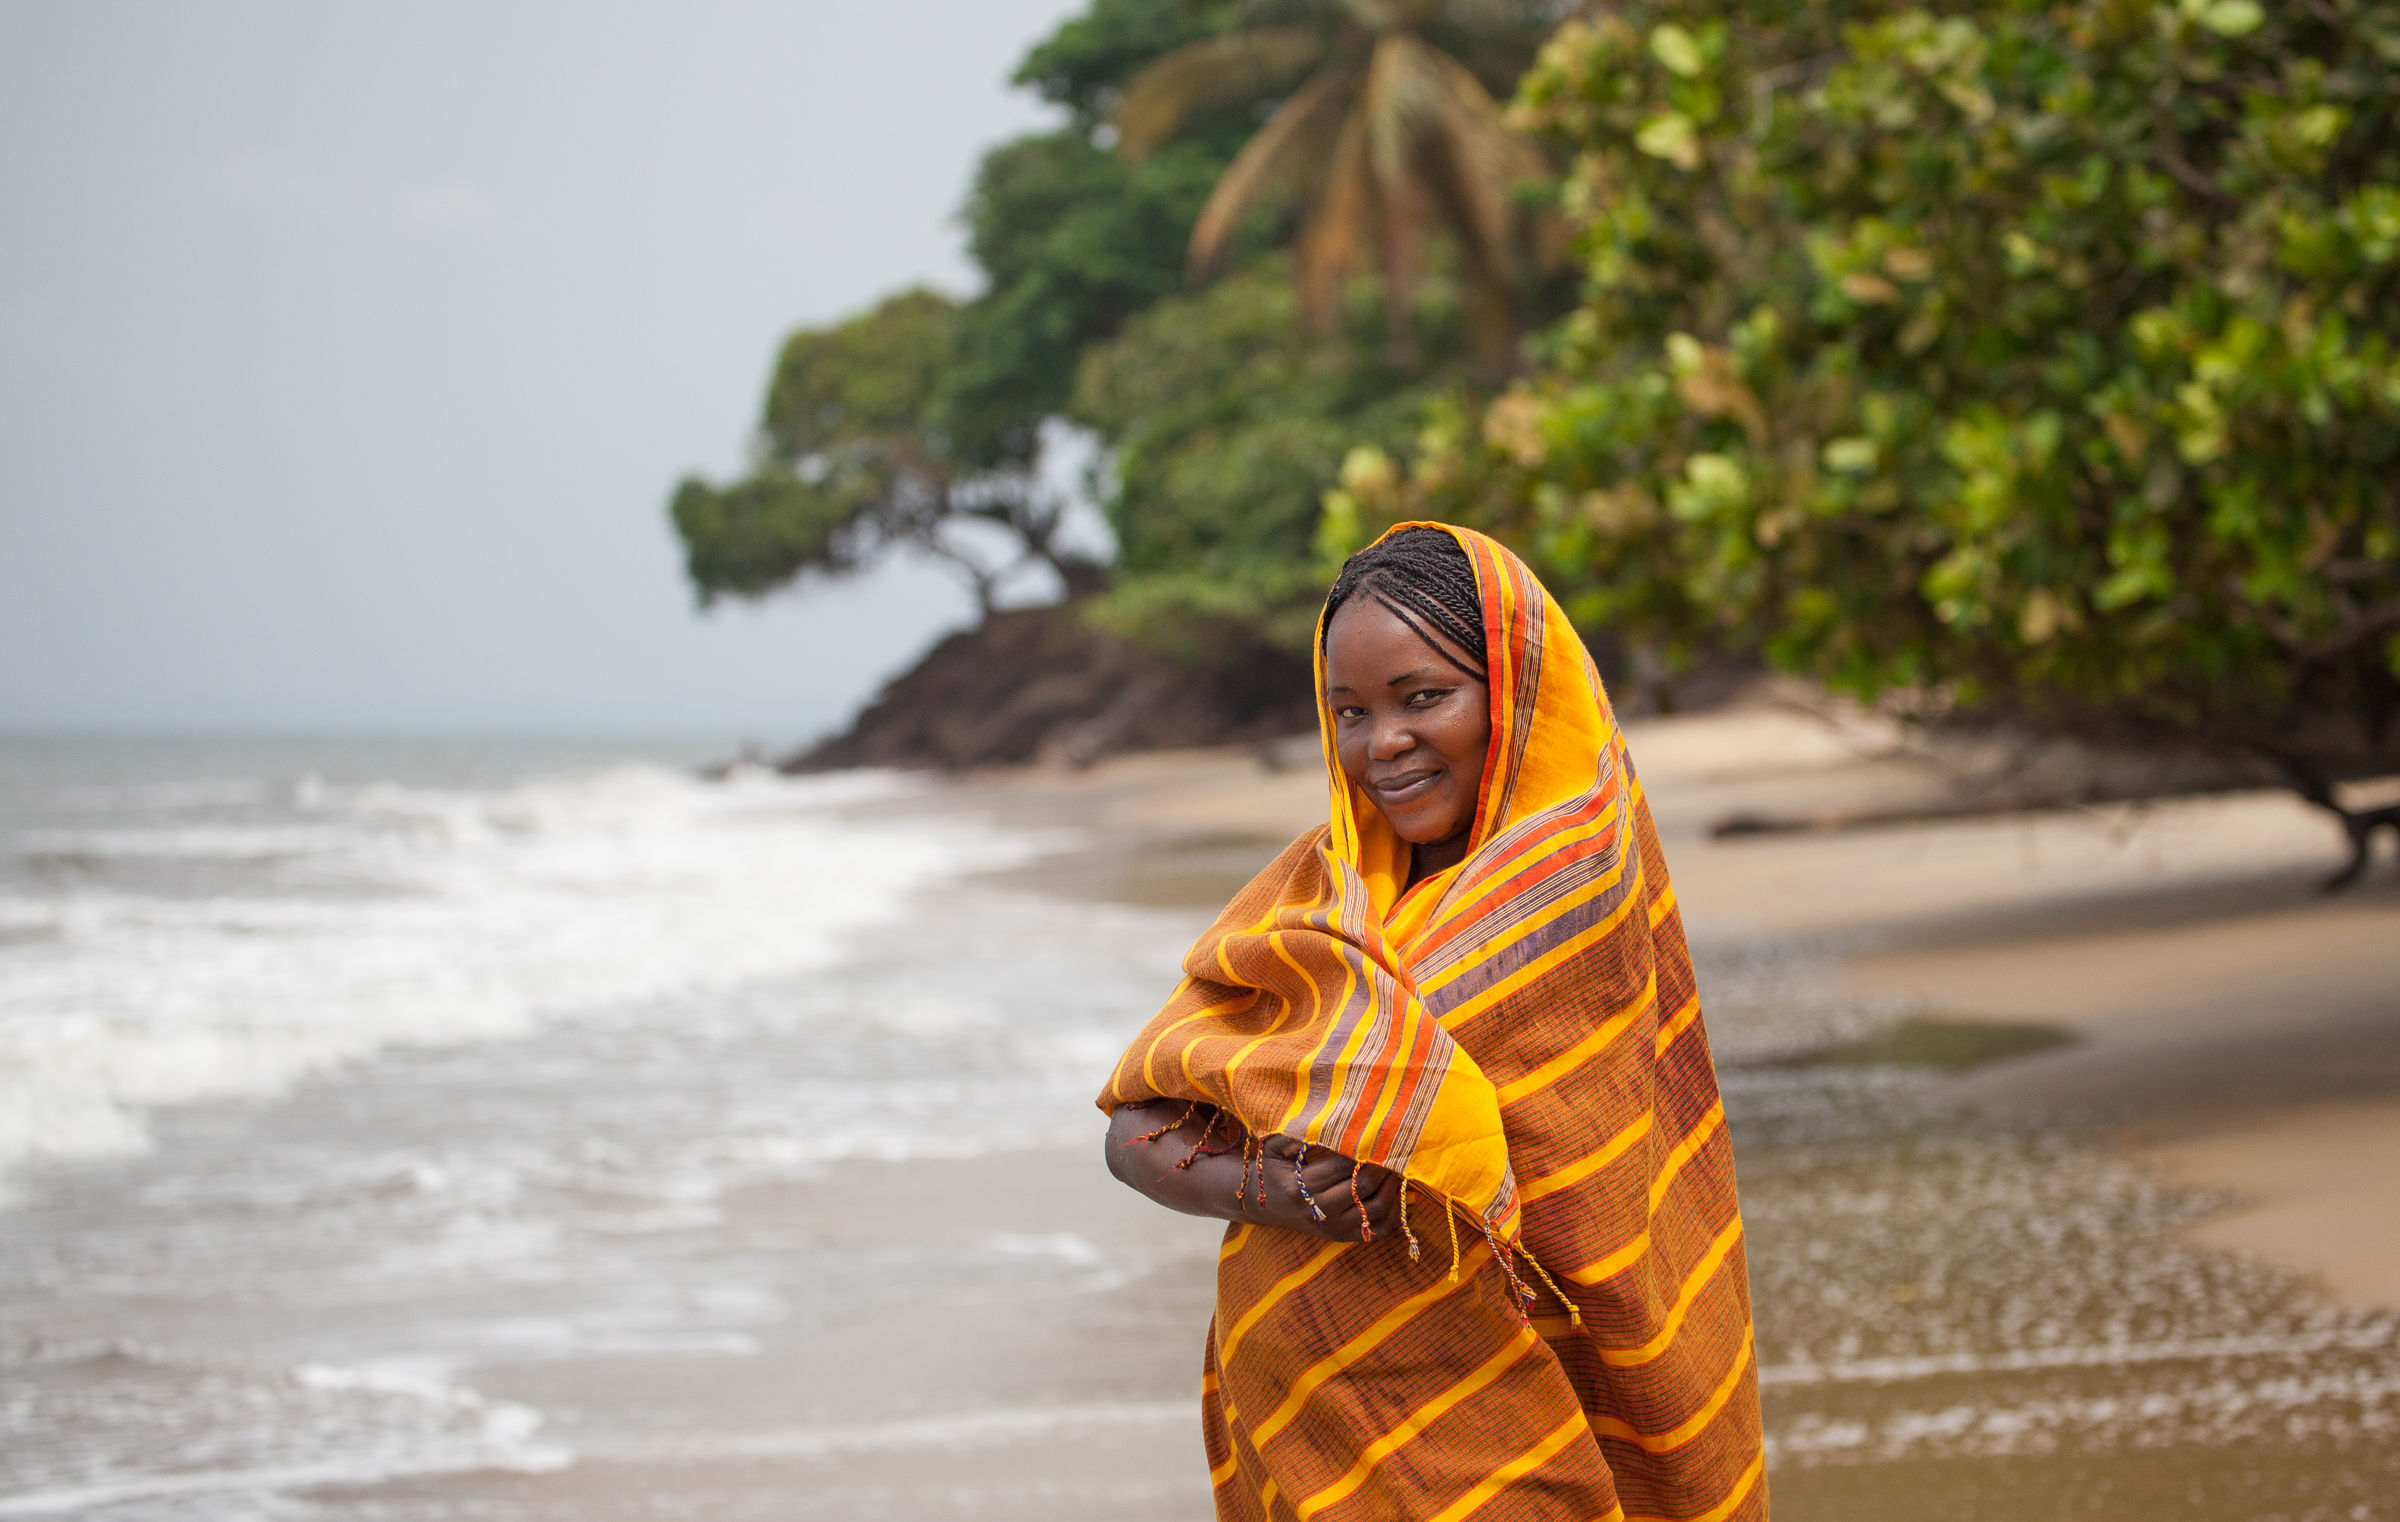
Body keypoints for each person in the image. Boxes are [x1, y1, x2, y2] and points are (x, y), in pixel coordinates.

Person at [1100, 523, 1765, 1521]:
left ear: (1516, 689)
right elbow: (1135, 1125)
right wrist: (1276, 1187)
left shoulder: (1571, 877)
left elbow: (1577, 1169)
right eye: (1350, 712)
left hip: (1522, 1393)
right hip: (1317, 1416)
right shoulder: (1312, 898)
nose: (1384, 743)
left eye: (1423, 697)